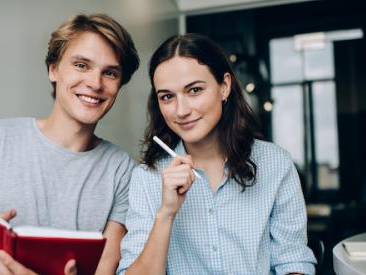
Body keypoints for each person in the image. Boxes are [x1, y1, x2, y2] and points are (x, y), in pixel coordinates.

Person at [0, 13, 139, 275]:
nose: (95, 83)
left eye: (110, 73)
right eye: (81, 65)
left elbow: (104, 269)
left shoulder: (122, 170)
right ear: (53, 69)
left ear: (119, 85)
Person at [117, 33, 317, 275]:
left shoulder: (276, 163)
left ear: (224, 86)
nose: (181, 111)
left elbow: (293, 262)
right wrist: (166, 213)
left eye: (194, 90)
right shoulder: (146, 177)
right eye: (167, 96)